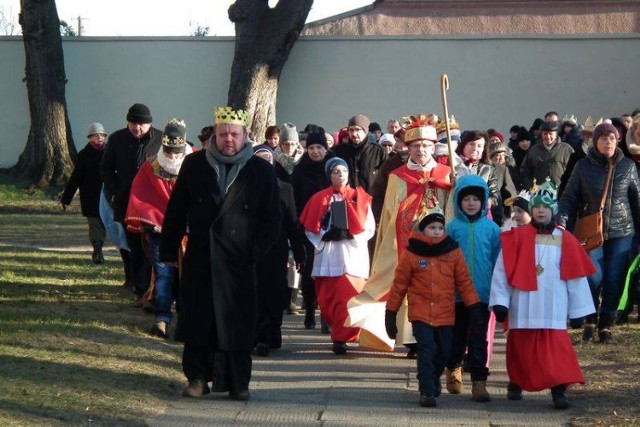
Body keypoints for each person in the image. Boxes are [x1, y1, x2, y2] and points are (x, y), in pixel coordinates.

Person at [159, 107, 281, 401]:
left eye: (234, 134)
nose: (229, 139)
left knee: (238, 323)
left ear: (245, 136)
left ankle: (238, 382)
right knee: (198, 319)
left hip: (240, 260)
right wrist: (168, 250)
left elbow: (272, 217)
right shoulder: (194, 164)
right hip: (202, 256)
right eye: (223, 134)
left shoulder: (261, 169)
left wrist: (256, 252)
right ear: (214, 134)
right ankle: (197, 378)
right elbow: (177, 209)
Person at [346, 114, 453, 355]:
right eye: (416, 146)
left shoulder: (446, 174)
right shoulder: (397, 177)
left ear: (433, 147)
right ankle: (411, 337)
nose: (421, 150)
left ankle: (433, 335)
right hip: (405, 242)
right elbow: (389, 214)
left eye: (426, 146)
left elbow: (451, 211)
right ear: (409, 147)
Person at [490, 179, 596, 409]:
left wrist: (579, 311)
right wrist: (500, 302)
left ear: (553, 210)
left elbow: (575, 276)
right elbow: (502, 270)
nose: (540, 211)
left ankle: (559, 389)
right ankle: (516, 381)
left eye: (545, 207)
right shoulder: (516, 238)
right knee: (520, 346)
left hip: (553, 304)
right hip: (522, 301)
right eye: (536, 207)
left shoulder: (565, 238)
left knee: (555, 348)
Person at [384, 213, 481, 407]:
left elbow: (464, 282)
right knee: (427, 350)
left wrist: (474, 306)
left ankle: (434, 378)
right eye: (432, 228)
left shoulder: (452, 251)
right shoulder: (412, 252)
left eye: (440, 228)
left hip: (445, 312)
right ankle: (426, 390)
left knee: (444, 352)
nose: (436, 232)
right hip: (421, 312)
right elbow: (399, 285)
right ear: (423, 230)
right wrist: (391, 313)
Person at [558, 122, 640, 343]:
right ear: (595, 142)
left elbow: (637, 200)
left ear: (618, 140)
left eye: (612, 138)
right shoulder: (583, 166)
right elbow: (569, 198)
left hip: (622, 231)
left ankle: (606, 323)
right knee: (593, 278)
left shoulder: (627, 166)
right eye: (603, 138)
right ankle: (591, 317)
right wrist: (562, 222)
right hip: (592, 232)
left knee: (614, 279)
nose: (608, 142)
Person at [300, 157, 375, 355]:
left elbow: (369, 226)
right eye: (335, 172)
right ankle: (336, 329)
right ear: (329, 175)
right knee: (328, 297)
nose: (340, 175)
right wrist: (325, 234)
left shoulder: (360, 197)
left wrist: (351, 234)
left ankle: (342, 337)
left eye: (343, 171)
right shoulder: (319, 198)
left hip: (352, 253)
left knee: (349, 295)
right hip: (329, 254)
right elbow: (310, 229)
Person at [125, 118, 192, 338]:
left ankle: (185, 321)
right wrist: (149, 221)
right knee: (164, 275)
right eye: (169, 151)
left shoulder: (195, 164)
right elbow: (140, 195)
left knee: (187, 277)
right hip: (159, 232)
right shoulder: (151, 166)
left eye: (176, 152)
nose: (172, 157)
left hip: (189, 233)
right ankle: (162, 319)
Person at [444, 174, 501, 402]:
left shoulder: (492, 229)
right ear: (458, 200)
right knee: (457, 337)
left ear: (484, 201)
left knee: (479, 338)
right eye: (466, 198)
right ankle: (453, 367)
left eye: (475, 199)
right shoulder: (451, 228)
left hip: (481, 294)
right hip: (456, 296)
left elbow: (498, 261)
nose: (470, 203)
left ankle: (479, 381)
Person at [101, 103, 163, 303]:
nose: (137, 128)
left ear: (150, 123)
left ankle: (157, 290)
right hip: (127, 203)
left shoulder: (161, 139)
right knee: (135, 247)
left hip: (153, 205)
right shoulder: (117, 139)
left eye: (142, 124)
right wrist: (114, 193)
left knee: (153, 249)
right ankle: (140, 288)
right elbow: (106, 168)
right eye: (133, 123)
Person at [252, 145, 305, 356]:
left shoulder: (285, 187)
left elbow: (293, 222)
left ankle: (269, 334)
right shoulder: (243, 186)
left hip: (276, 249)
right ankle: (255, 335)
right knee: (254, 293)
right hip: (251, 248)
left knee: (273, 293)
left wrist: (299, 251)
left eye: (268, 159)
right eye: (260, 160)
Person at [290, 132, 335, 330]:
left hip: (331, 228)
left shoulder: (333, 169)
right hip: (308, 227)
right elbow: (294, 200)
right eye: (311, 148)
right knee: (309, 271)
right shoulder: (300, 171)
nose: (315, 152)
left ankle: (326, 313)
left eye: (319, 148)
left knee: (328, 271)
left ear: (326, 149)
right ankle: (309, 308)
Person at [61, 122, 108, 264]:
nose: (99, 138)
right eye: (96, 135)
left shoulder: (110, 152)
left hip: (107, 196)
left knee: (105, 223)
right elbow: (76, 177)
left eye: (101, 135)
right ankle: (98, 249)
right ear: (90, 138)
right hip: (90, 196)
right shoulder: (84, 154)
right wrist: (66, 198)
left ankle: (100, 247)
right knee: (94, 223)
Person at [332, 114, 387, 194]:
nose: (354, 134)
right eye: (351, 130)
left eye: (358, 130)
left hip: (370, 201)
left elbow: (387, 178)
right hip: (346, 200)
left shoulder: (378, 152)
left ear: (365, 131)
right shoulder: (337, 152)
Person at [519, 121, 574, 193]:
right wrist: (531, 187)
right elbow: (524, 171)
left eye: (550, 134)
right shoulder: (534, 150)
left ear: (556, 134)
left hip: (561, 194)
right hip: (539, 195)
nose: (548, 137)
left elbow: (574, 172)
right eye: (545, 134)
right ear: (541, 134)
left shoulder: (566, 149)